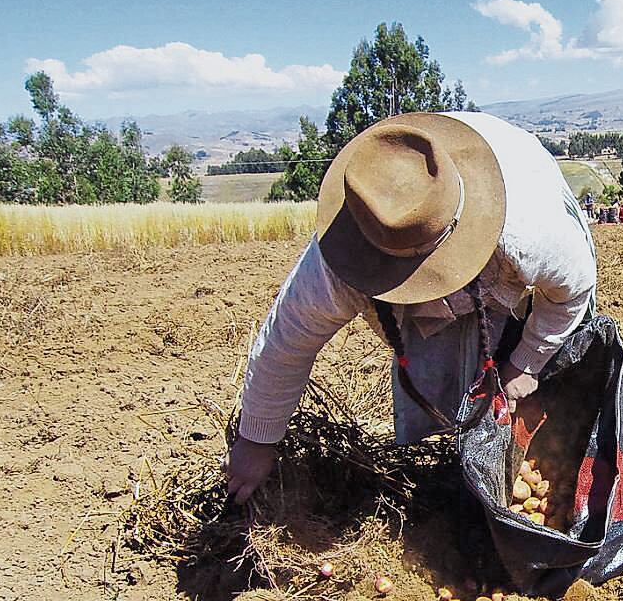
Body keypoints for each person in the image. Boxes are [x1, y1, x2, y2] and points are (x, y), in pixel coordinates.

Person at [225, 111, 596, 503]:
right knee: (438, 378)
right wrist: (256, 441)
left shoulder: (528, 231)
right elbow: (285, 345)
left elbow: (571, 291)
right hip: (433, 257)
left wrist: (526, 363)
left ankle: (559, 453)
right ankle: (460, 469)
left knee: (557, 372)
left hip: (517, 211)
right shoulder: (339, 259)